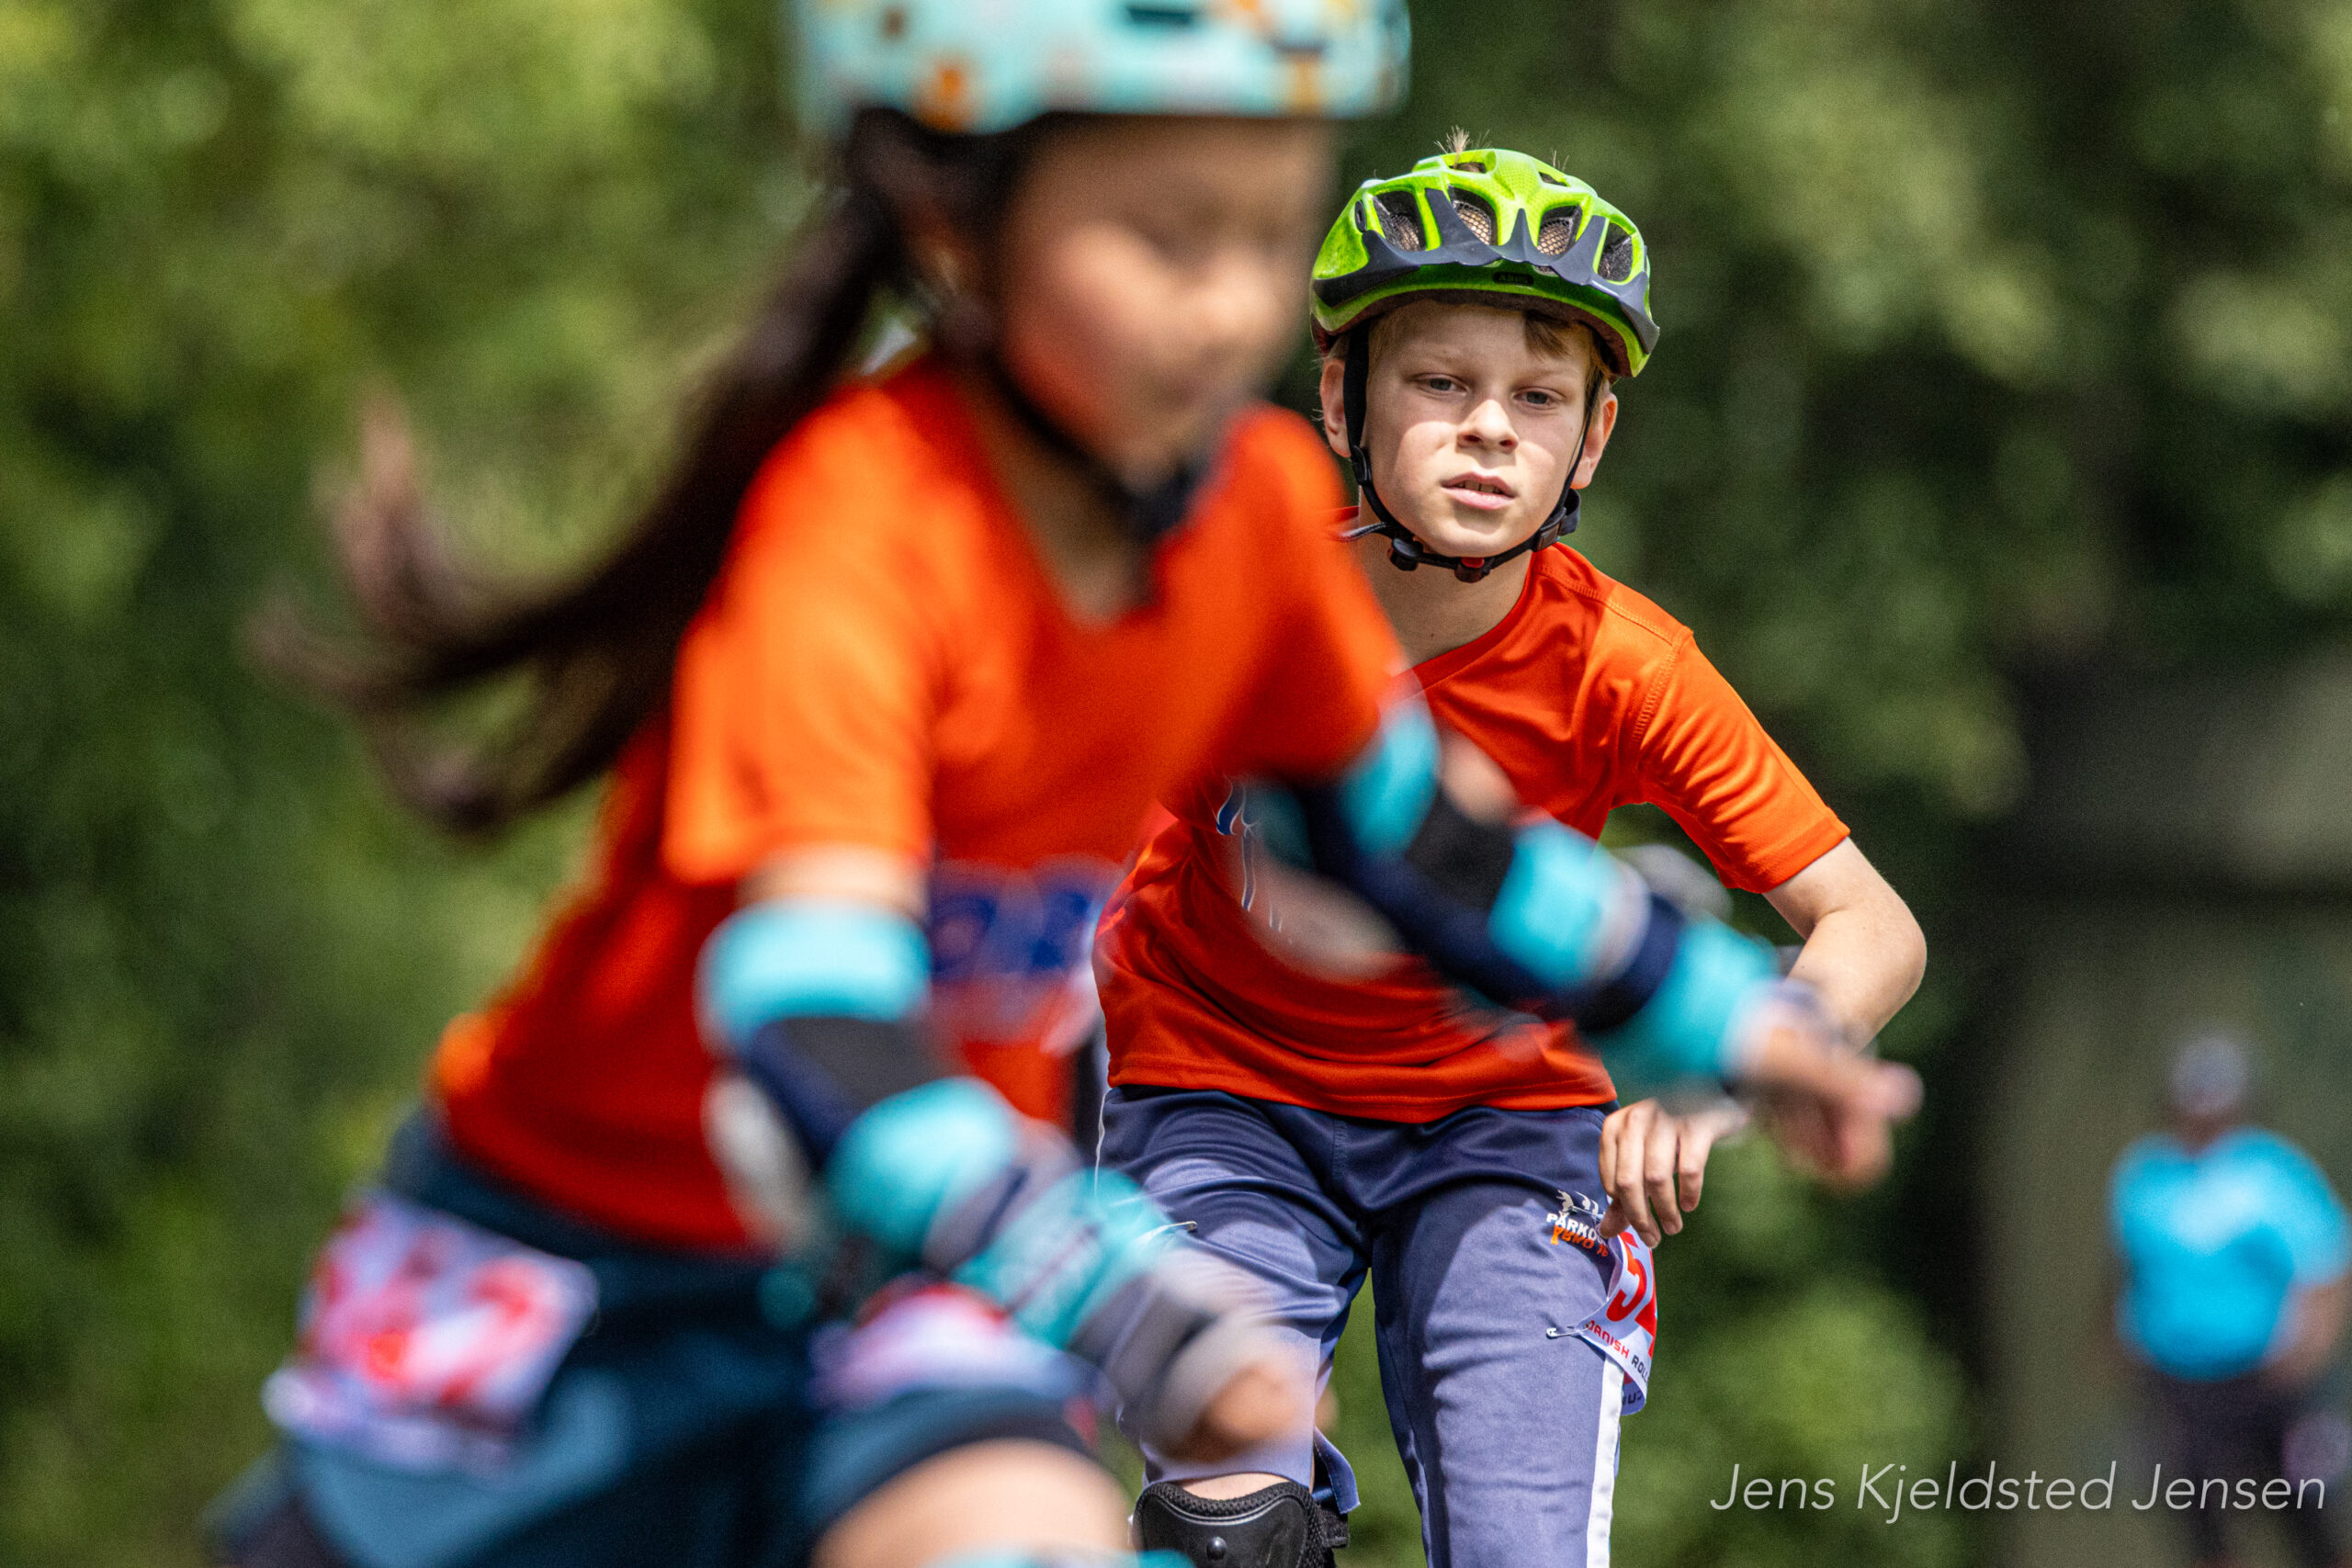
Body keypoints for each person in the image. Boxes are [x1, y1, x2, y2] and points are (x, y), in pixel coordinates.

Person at [205, 9, 1917, 1558]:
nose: (1227, 306)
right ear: (964, 232)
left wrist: (1724, 1020)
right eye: (1166, 238)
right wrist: (1126, 1299)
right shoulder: (857, 527)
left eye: (1264, 238)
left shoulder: (1250, 519)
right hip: (583, 1259)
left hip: (904, 1275)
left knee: (1036, 1535)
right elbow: (818, 1029)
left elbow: (1413, 841)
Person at [1093, 147, 1928, 1568]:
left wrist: (1733, 1063)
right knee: (1223, 1529)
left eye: (1539, 398)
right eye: (1441, 382)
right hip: (1221, 1088)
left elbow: (1871, 921)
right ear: (1341, 400)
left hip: (1508, 1123)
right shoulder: (1233, 593)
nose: (1489, 429)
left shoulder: (1620, 662)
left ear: (1591, 441)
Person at [2111, 1031, 2351, 1568]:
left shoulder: (2273, 1171)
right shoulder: (2144, 1175)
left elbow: (2325, 1264)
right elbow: (2128, 1269)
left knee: (2309, 1517)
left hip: (2269, 1378)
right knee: (2201, 1525)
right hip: (2178, 1383)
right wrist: (2118, 1345)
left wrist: (2309, 1353)